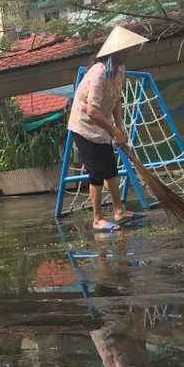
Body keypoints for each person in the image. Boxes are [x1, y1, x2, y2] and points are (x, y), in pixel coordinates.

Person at [68, 26, 150, 233]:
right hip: (84, 127)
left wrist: (120, 128)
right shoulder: (98, 73)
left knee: (111, 169)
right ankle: (97, 220)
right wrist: (114, 132)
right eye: (125, 51)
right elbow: (92, 110)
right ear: (113, 52)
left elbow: (115, 100)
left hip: (102, 126)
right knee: (96, 172)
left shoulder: (118, 70)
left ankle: (119, 211)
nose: (128, 54)